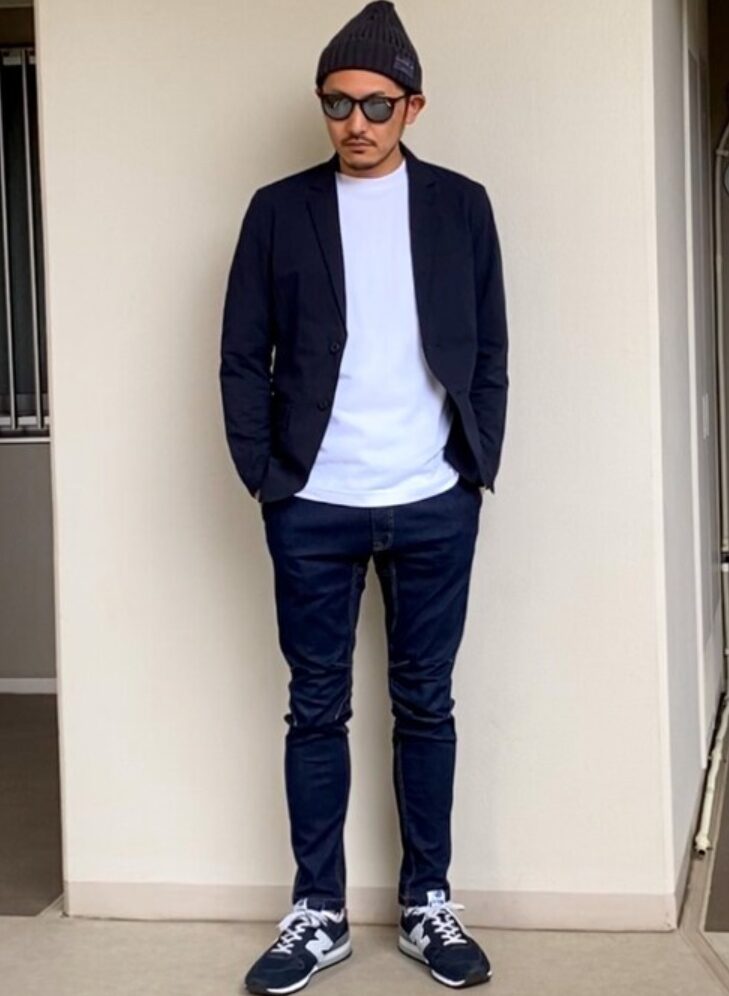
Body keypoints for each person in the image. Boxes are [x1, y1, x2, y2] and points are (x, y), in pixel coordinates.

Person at [219, 1, 508, 991]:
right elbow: (240, 354)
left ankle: (428, 903)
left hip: (433, 498)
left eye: (376, 104)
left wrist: (474, 468)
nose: (355, 121)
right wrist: (268, 478)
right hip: (313, 503)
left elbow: (489, 346)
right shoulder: (278, 209)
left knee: (426, 705)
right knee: (315, 709)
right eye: (337, 102)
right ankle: (319, 913)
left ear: (412, 106)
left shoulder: (460, 206)